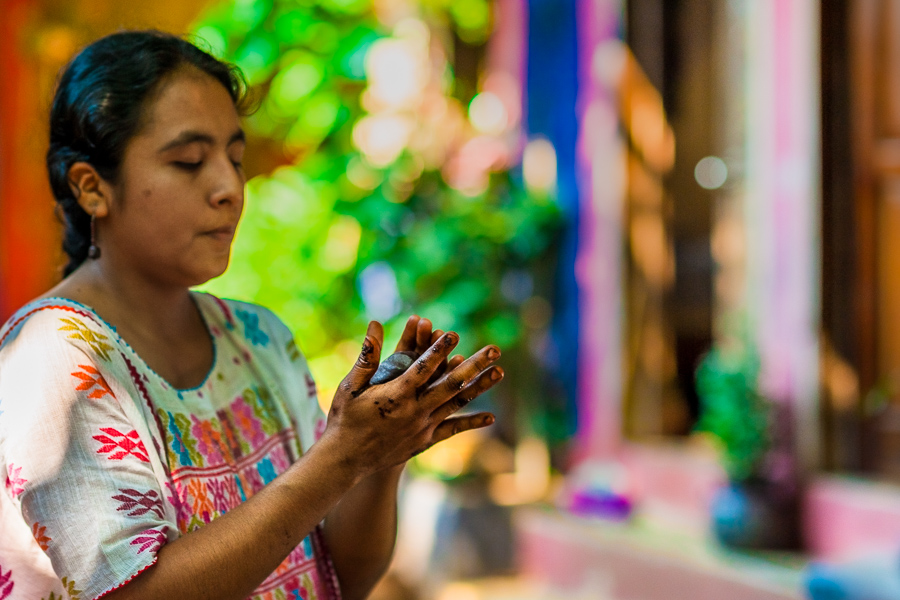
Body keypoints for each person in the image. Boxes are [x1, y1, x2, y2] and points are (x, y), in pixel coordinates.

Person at [0, 30, 503, 600]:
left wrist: (381, 453)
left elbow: (345, 575)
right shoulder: (54, 359)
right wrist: (340, 459)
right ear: (92, 188)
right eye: (189, 161)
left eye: (234, 158)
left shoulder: (260, 340)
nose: (229, 188)